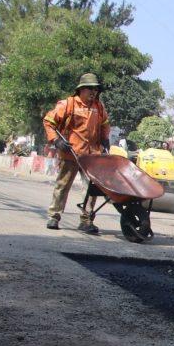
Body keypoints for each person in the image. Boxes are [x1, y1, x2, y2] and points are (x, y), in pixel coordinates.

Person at [43, 73, 110, 234]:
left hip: (92, 155)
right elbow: (48, 121)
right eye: (90, 89)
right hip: (71, 153)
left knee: (91, 189)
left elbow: (105, 125)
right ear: (81, 90)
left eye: (95, 89)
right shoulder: (68, 104)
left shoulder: (98, 107)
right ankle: (54, 216)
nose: (93, 92)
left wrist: (105, 139)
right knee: (63, 185)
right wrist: (56, 140)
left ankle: (86, 220)